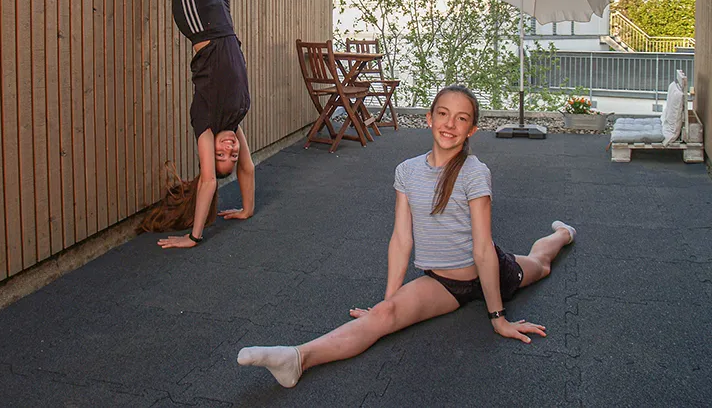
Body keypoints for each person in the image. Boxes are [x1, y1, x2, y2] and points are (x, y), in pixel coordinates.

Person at [236, 85, 577, 388]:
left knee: (540, 264)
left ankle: (562, 233)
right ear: (428, 118)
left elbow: (483, 249)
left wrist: (498, 318)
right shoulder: (407, 171)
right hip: (443, 283)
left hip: (492, 270)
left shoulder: (475, 172)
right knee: (382, 318)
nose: (449, 124)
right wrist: (386, 301)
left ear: (471, 129)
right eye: (443, 114)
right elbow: (401, 239)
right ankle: (298, 358)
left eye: (461, 119)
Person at [153, 0, 255, 248]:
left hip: (198, 17)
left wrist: (194, 237)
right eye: (232, 155)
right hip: (222, 17)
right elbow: (247, 168)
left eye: (221, 155)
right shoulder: (234, 122)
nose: (231, 150)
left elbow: (208, 180)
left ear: (211, 152)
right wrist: (246, 210)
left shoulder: (205, 122)